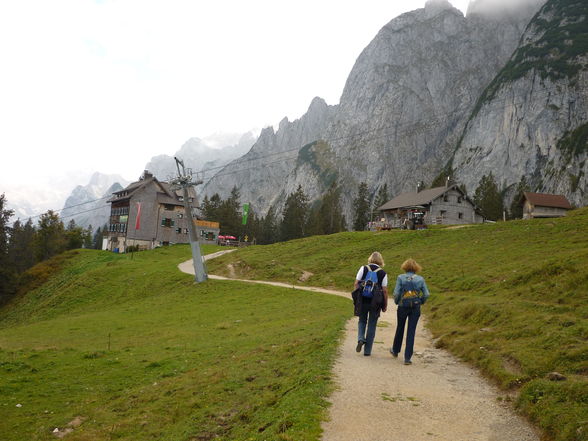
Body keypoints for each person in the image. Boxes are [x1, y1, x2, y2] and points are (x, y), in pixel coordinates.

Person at [391, 258, 430, 365]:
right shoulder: (420, 279)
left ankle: (395, 350)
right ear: (416, 268)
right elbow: (426, 294)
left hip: (403, 306)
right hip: (415, 307)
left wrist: (397, 302)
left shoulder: (400, 278)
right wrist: (421, 301)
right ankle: (407, 358)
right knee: (411, 331)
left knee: (400, 327)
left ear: (405, 267)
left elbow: (396, 293)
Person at [353, 252, 388, 356]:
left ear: (370, 259)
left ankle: (360, 339)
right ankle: (367, 351)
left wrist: (356, 297)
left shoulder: (363, 268)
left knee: (362, 321)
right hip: (376, 303)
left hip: (363, 300)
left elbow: (356, 283)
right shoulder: (383, 273)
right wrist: (384, 304)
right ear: (381, 260)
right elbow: (385, 291)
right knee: (372, 324)